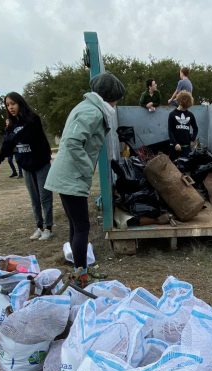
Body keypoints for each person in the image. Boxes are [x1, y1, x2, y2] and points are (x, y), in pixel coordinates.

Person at [44, 72, 125, 288]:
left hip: (67, 175)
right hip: (71, 176)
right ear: (110, 96)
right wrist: (88, 168)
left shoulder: (87, 107)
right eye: (117, 99)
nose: (116, 104)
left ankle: (81, 270)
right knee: (82, 227)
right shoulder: (93, 112)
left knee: (75, 225)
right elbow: (71, 142)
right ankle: (81, 276)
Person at [0, 92, 54, 241]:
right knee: (34, 199)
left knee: (44, 197)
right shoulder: (12, 125)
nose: (10, 107)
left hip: (40, 164)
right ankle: (39, 227)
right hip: (26, 166)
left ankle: (48, 228)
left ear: (20, 103)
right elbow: (7, 144)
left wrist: (11, 134)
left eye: (13, 103)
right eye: (7, 105)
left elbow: (24, 137)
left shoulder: (33, 119)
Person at [168, 91, 198, 159]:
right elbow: (170, 131)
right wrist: (175, 144)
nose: (186, 109)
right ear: (180, 102)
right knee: (173, 167)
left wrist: (192, 140)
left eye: (187, 107)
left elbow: (195, 128)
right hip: (174, 147)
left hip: (186, 148)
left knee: (186, 167)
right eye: (185, 107)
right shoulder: (172, 114)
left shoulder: (190, 115)